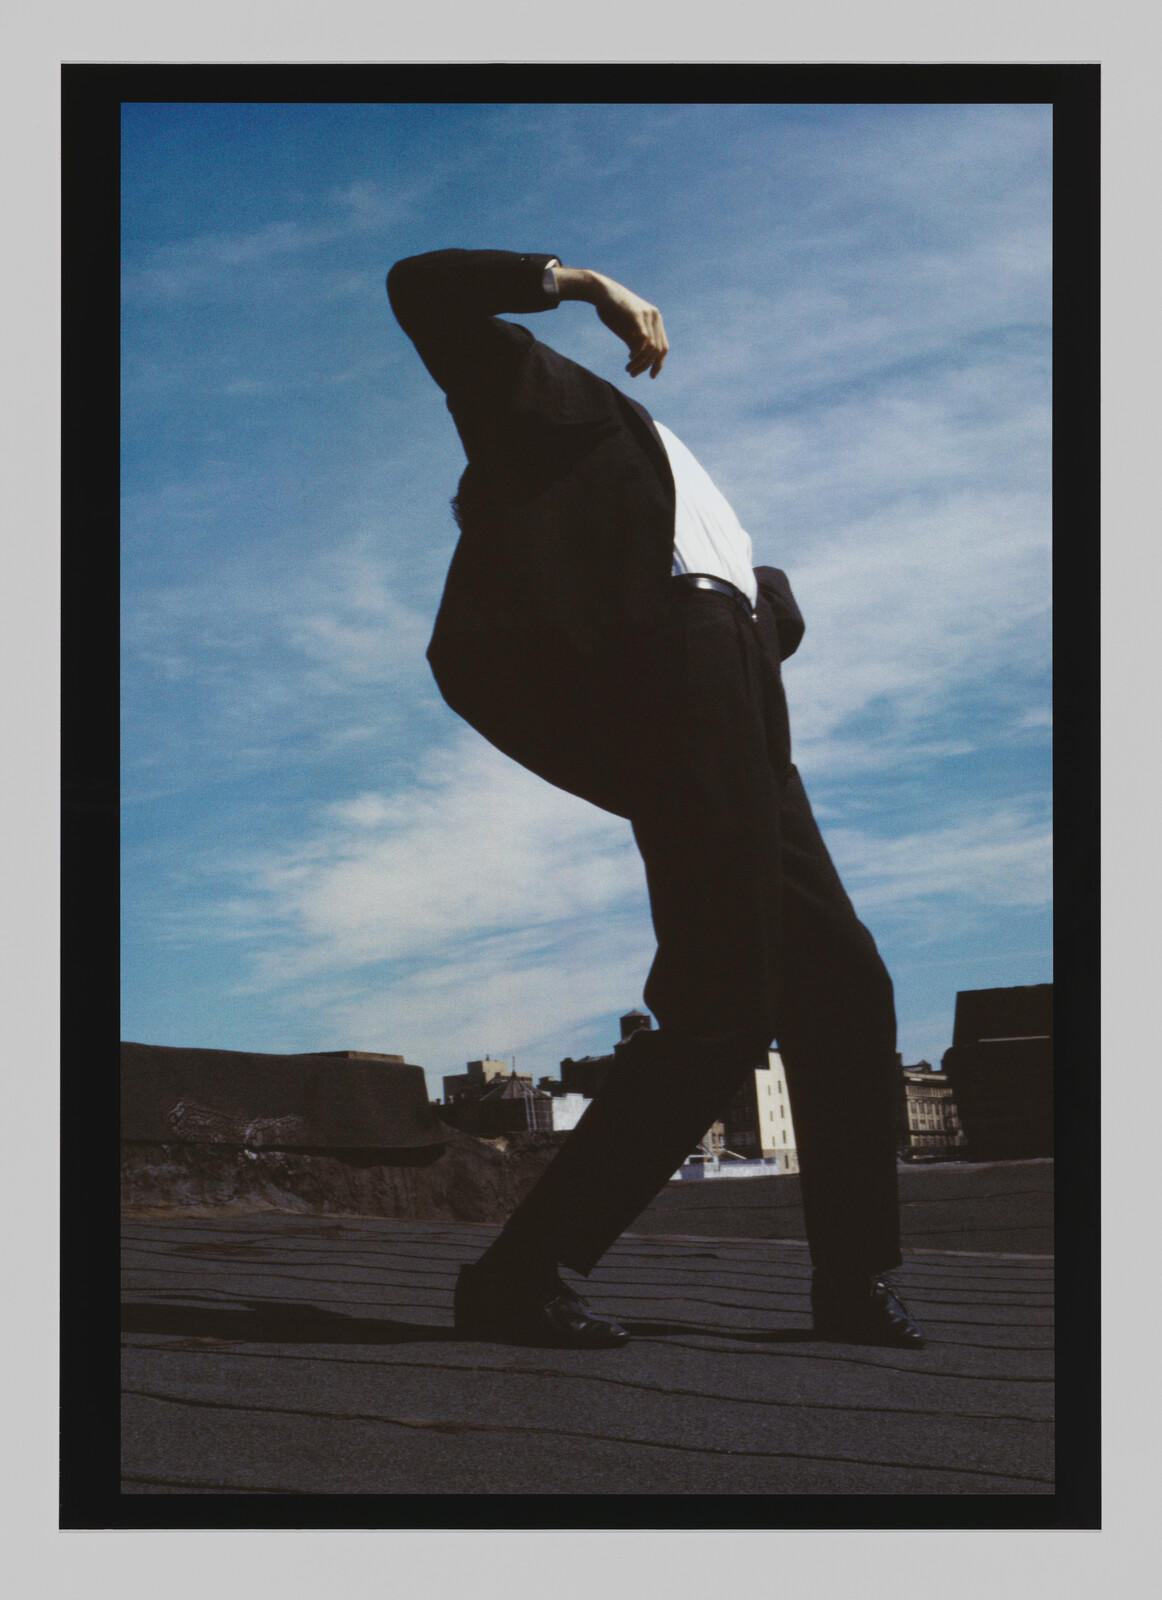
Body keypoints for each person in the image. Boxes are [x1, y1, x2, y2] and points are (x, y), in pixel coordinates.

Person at [386, 248, 924, 1351]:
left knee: (844, 982)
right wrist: (582, 285)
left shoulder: (652, 460)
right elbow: (418, 285)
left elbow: (744, 590)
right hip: (680, 678)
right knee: (725, 1001)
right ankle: (518, 1274)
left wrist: (767, 610)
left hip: (737, 686)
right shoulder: (537, 412)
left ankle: (855, 1281)